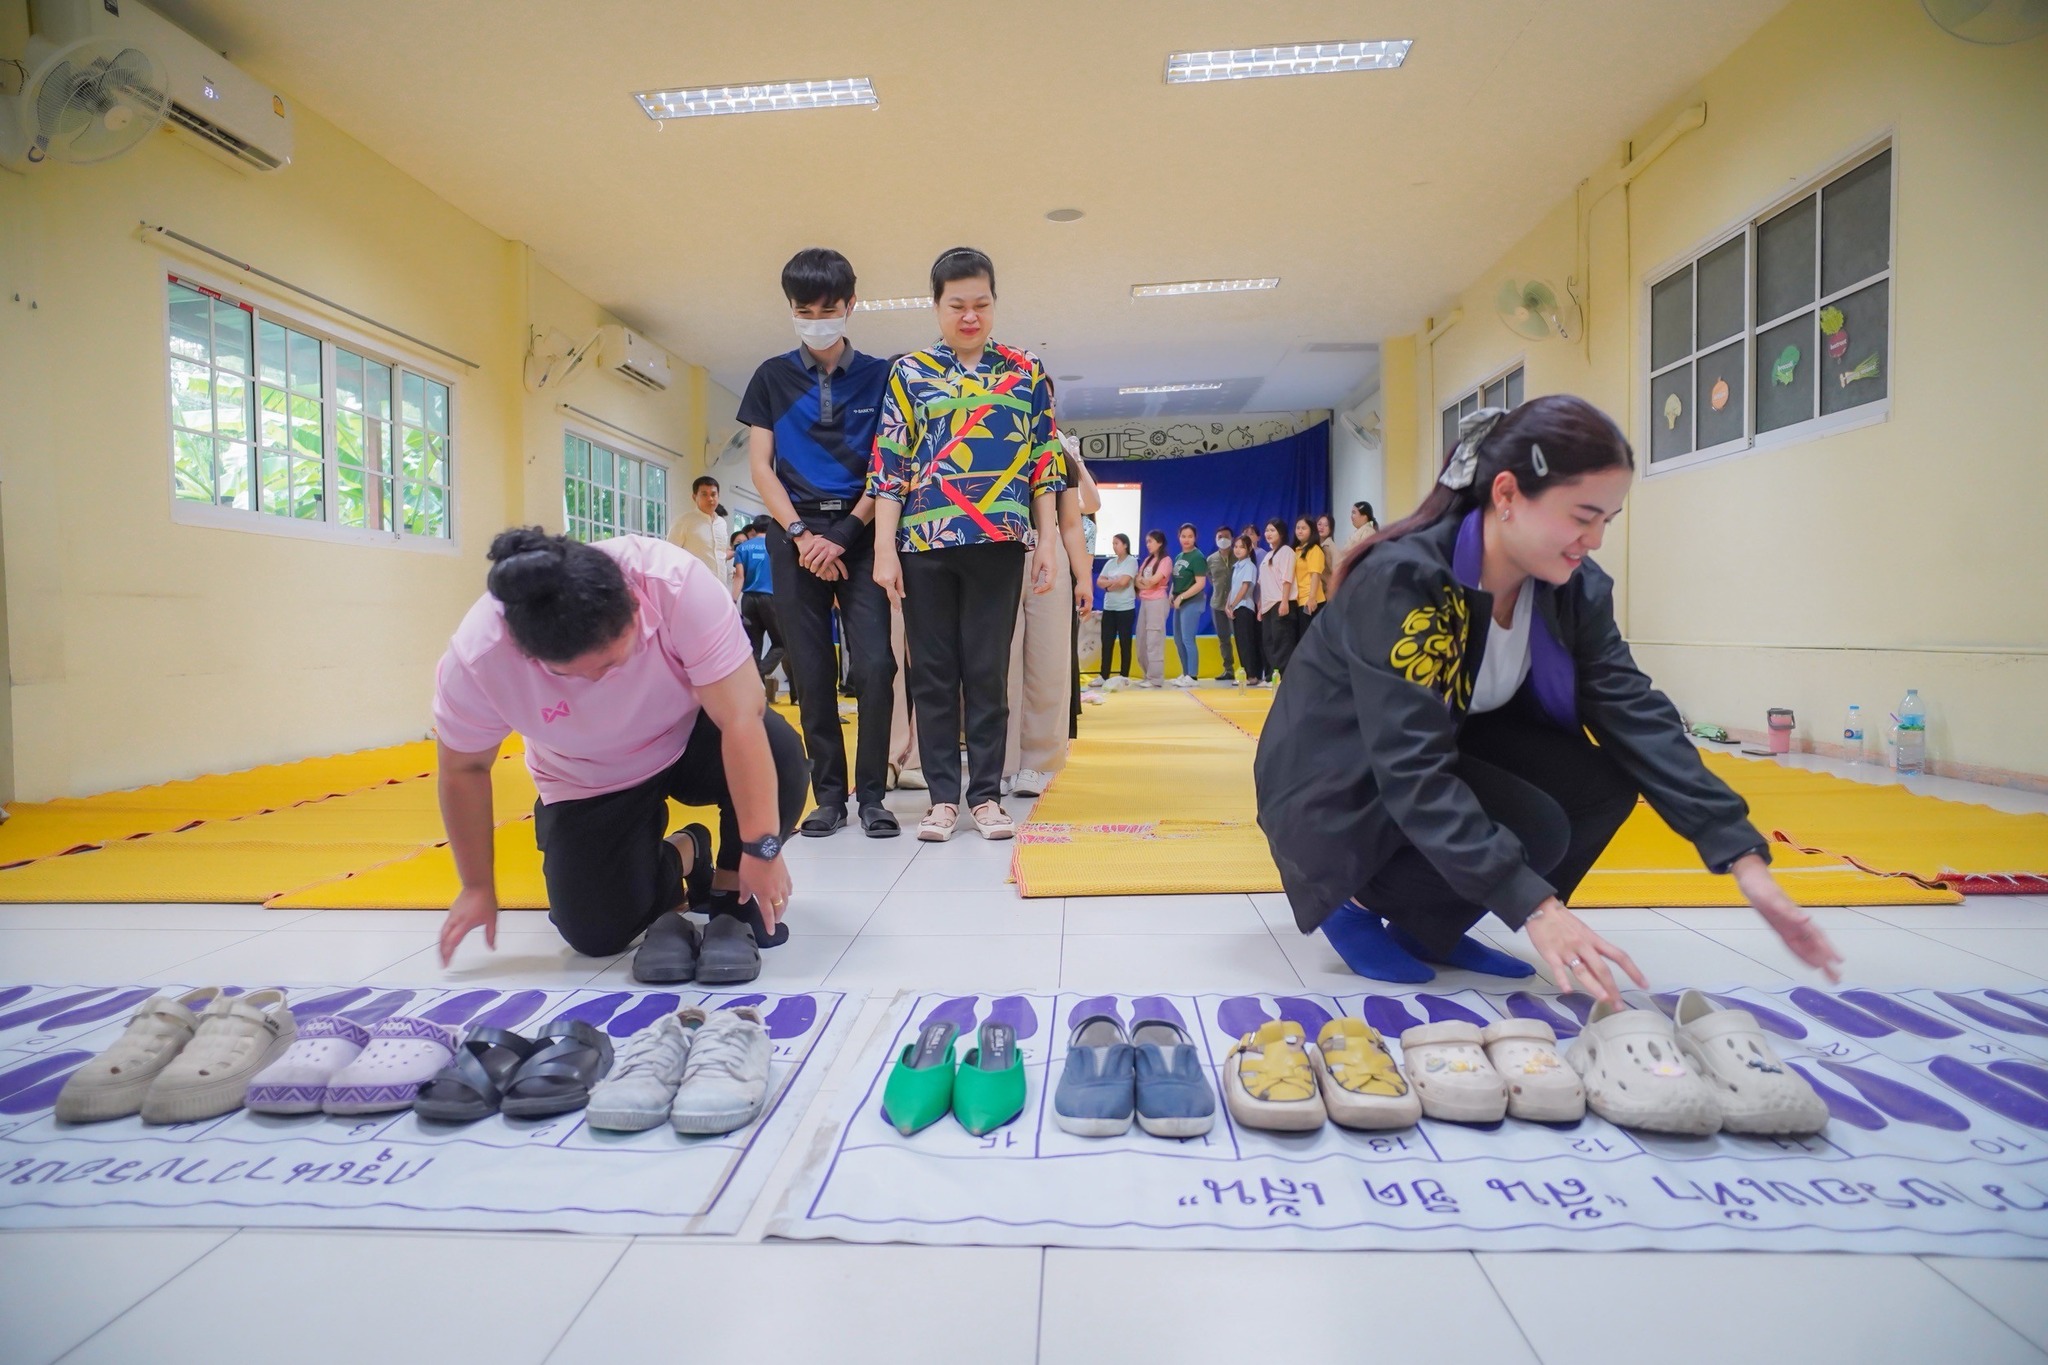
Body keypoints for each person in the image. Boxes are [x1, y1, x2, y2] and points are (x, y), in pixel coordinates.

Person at [1254, 397, 1844, 1004]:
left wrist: (1743, 859)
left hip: (1440, 745)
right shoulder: (1406, 581)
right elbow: (1409, 766)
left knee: (1602, 785)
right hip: (1337, 781)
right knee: (1535, 825)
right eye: (1582, 516)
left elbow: (1634, 712)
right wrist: (1535, 907)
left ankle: (1430, 923)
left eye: (1607, 520)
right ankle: (1352, 901)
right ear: (1506, 495)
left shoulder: (1571, 588)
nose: (1592, 539)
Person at [432, 528, 809, 986]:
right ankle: (685, 853)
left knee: (779, 748)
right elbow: (464, 768)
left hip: (692, 736)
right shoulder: (480, 656)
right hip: (590, 776)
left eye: (611, 662)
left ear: (633, 606)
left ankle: (731, 889)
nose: (602, 681)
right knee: (595, 934)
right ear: (532, 657)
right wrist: (476, 886)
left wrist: (761, 848)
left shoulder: (671, 582)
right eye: (579, 674)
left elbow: (741, 721)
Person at [870, 246, 1062, 843]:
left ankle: (985, 797)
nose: (970, 315)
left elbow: (1044, 462)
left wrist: (1048, 541)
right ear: (937, 307)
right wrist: (882, 549)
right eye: (958, 305)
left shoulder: (1024, 370)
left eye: (981, 303)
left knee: (985, 669)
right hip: (924, 542)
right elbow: (889, 465)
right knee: (931, 671)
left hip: (999, 541)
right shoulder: (909, 373)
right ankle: (941, 799)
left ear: (994, 303)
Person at [739, 248, 899, 839]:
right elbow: (762, 467)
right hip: (795, 535)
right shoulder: (770, 377)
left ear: (850, 306)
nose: (815, 319)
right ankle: (828, 796)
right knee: (810, 669)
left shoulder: (883, 376)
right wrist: (804, 535)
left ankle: (874, 796)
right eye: (803, 310)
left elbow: (890, 467)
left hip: (861, 534)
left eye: (827, 309)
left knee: (877, 666)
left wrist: (845, 534)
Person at [1005, 417, 1097, 799]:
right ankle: (1002, 761)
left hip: (1051, 556)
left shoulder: (1059, 454)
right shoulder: (994, 445)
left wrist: (1084, 577)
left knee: (1049, 661)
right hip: (999, 557)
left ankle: (1037, 763)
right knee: (1000, 664)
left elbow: (1072, 522)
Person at [729, 518, 786, 704]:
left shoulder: (742, 548)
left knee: (753, 645)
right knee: (781, 644)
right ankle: (758, 676)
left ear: (753, 529)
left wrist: (732, 601)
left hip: (748, 599)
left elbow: (739, 576)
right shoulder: (775, 545)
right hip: (770, 598)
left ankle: (749, 689)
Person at [1167, 523, 1209, 688]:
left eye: (1190, 536)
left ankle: (1193, 675)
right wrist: (1172, 594)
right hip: (1179, 601)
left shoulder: (1197, 556)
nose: (1186, 539)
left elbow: (1200, 584)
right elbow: (1176, 579)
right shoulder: (1179, 557)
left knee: (1187, 639)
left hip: (1192, 601)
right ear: (1179, 537)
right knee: (1178, 639)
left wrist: (1182, 596)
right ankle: (1185, 674)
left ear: (1195, 538)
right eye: (1183, 536)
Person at [1097, 533, 1139, 685]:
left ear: (1125, 545)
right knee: (1106, 642)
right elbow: (1099, 582)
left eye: (1117, 543)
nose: (1114, 546)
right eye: (1113, 543)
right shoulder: (1110, 563)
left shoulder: (1131, 561)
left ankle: (1124, 675)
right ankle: (1103, 675)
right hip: (1109, 608)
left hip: (1125, 609)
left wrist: (1109, 585)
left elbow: (1124, 581)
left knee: (1124, 643)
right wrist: (1112, 583)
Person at [1258, 518, 1297, 678]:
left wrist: (1285, 601)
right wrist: (1260, 606)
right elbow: (1263, 583)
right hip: (1268, 604)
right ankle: (1273, 675)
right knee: (1269, 640)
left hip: (1281, 602)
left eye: (1272, 530)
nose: (1268, 533)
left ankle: (1284, 676)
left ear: (1281, 533)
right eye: (1267, 530)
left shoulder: (1286, 551)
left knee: (1283, 641)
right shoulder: (1268, 555)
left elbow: (1287, 578)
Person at [1226, 533, 1265, 687]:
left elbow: (1244, 587)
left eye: (1241, 547)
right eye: (1235, 546)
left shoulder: (1250, 566)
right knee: (1240, 643)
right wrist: (1227, 604)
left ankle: (1252, 675)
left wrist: (1233, 604)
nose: (1237, 550)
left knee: (1247, 642)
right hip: (1236, 607)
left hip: (1244, 608)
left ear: (1249, 549)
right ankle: (1245, 673)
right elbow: (1233, 588)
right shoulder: (1237, 566)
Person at [1134, 529, 1171, 688]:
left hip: (1157, 601)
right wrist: (1143, 581)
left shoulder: (1166, 560)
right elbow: (1137, 580)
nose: (1147, 544)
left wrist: (1144, 581)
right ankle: (1147, 674)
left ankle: (1156, 678)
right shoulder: (1148, 560)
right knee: (1141, 639)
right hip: (1145, 601)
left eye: (1150, 541)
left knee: (1154, 639)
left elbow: (1153, 582)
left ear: (1160, 542)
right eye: (1146, 541)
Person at [669, 475, 723, 577]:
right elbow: (670, 555)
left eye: (713, 494)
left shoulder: (721, 524)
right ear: (694, 497)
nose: (710, 499)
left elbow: (721, 555)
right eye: (704, 494)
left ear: (718, 496)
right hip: (694, 583)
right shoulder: (683, 521)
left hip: (720, 585)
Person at [1206, 526, 1238, 683]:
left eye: (1226, 536)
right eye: (1220, 536)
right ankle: (1228, 669)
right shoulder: (1211, 559)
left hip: (1237, 605)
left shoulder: (1238, 556)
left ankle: (1248, 669)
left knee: (1241, 637)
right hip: (1217, 604)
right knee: (1223, 638)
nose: (1223, 539)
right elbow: (1209, 577)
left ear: (1232, 539)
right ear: (1215, 539)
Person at [1291, 516, 1327, 648]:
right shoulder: (1296, 550)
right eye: (1298, 528)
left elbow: (1315, 575)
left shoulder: (1314, 550)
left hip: (1311, 601)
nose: (1300, 531)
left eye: (1304, 528)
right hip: (1299, 600)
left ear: (1312, 531)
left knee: (1311, 641)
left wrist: (1312, 598)